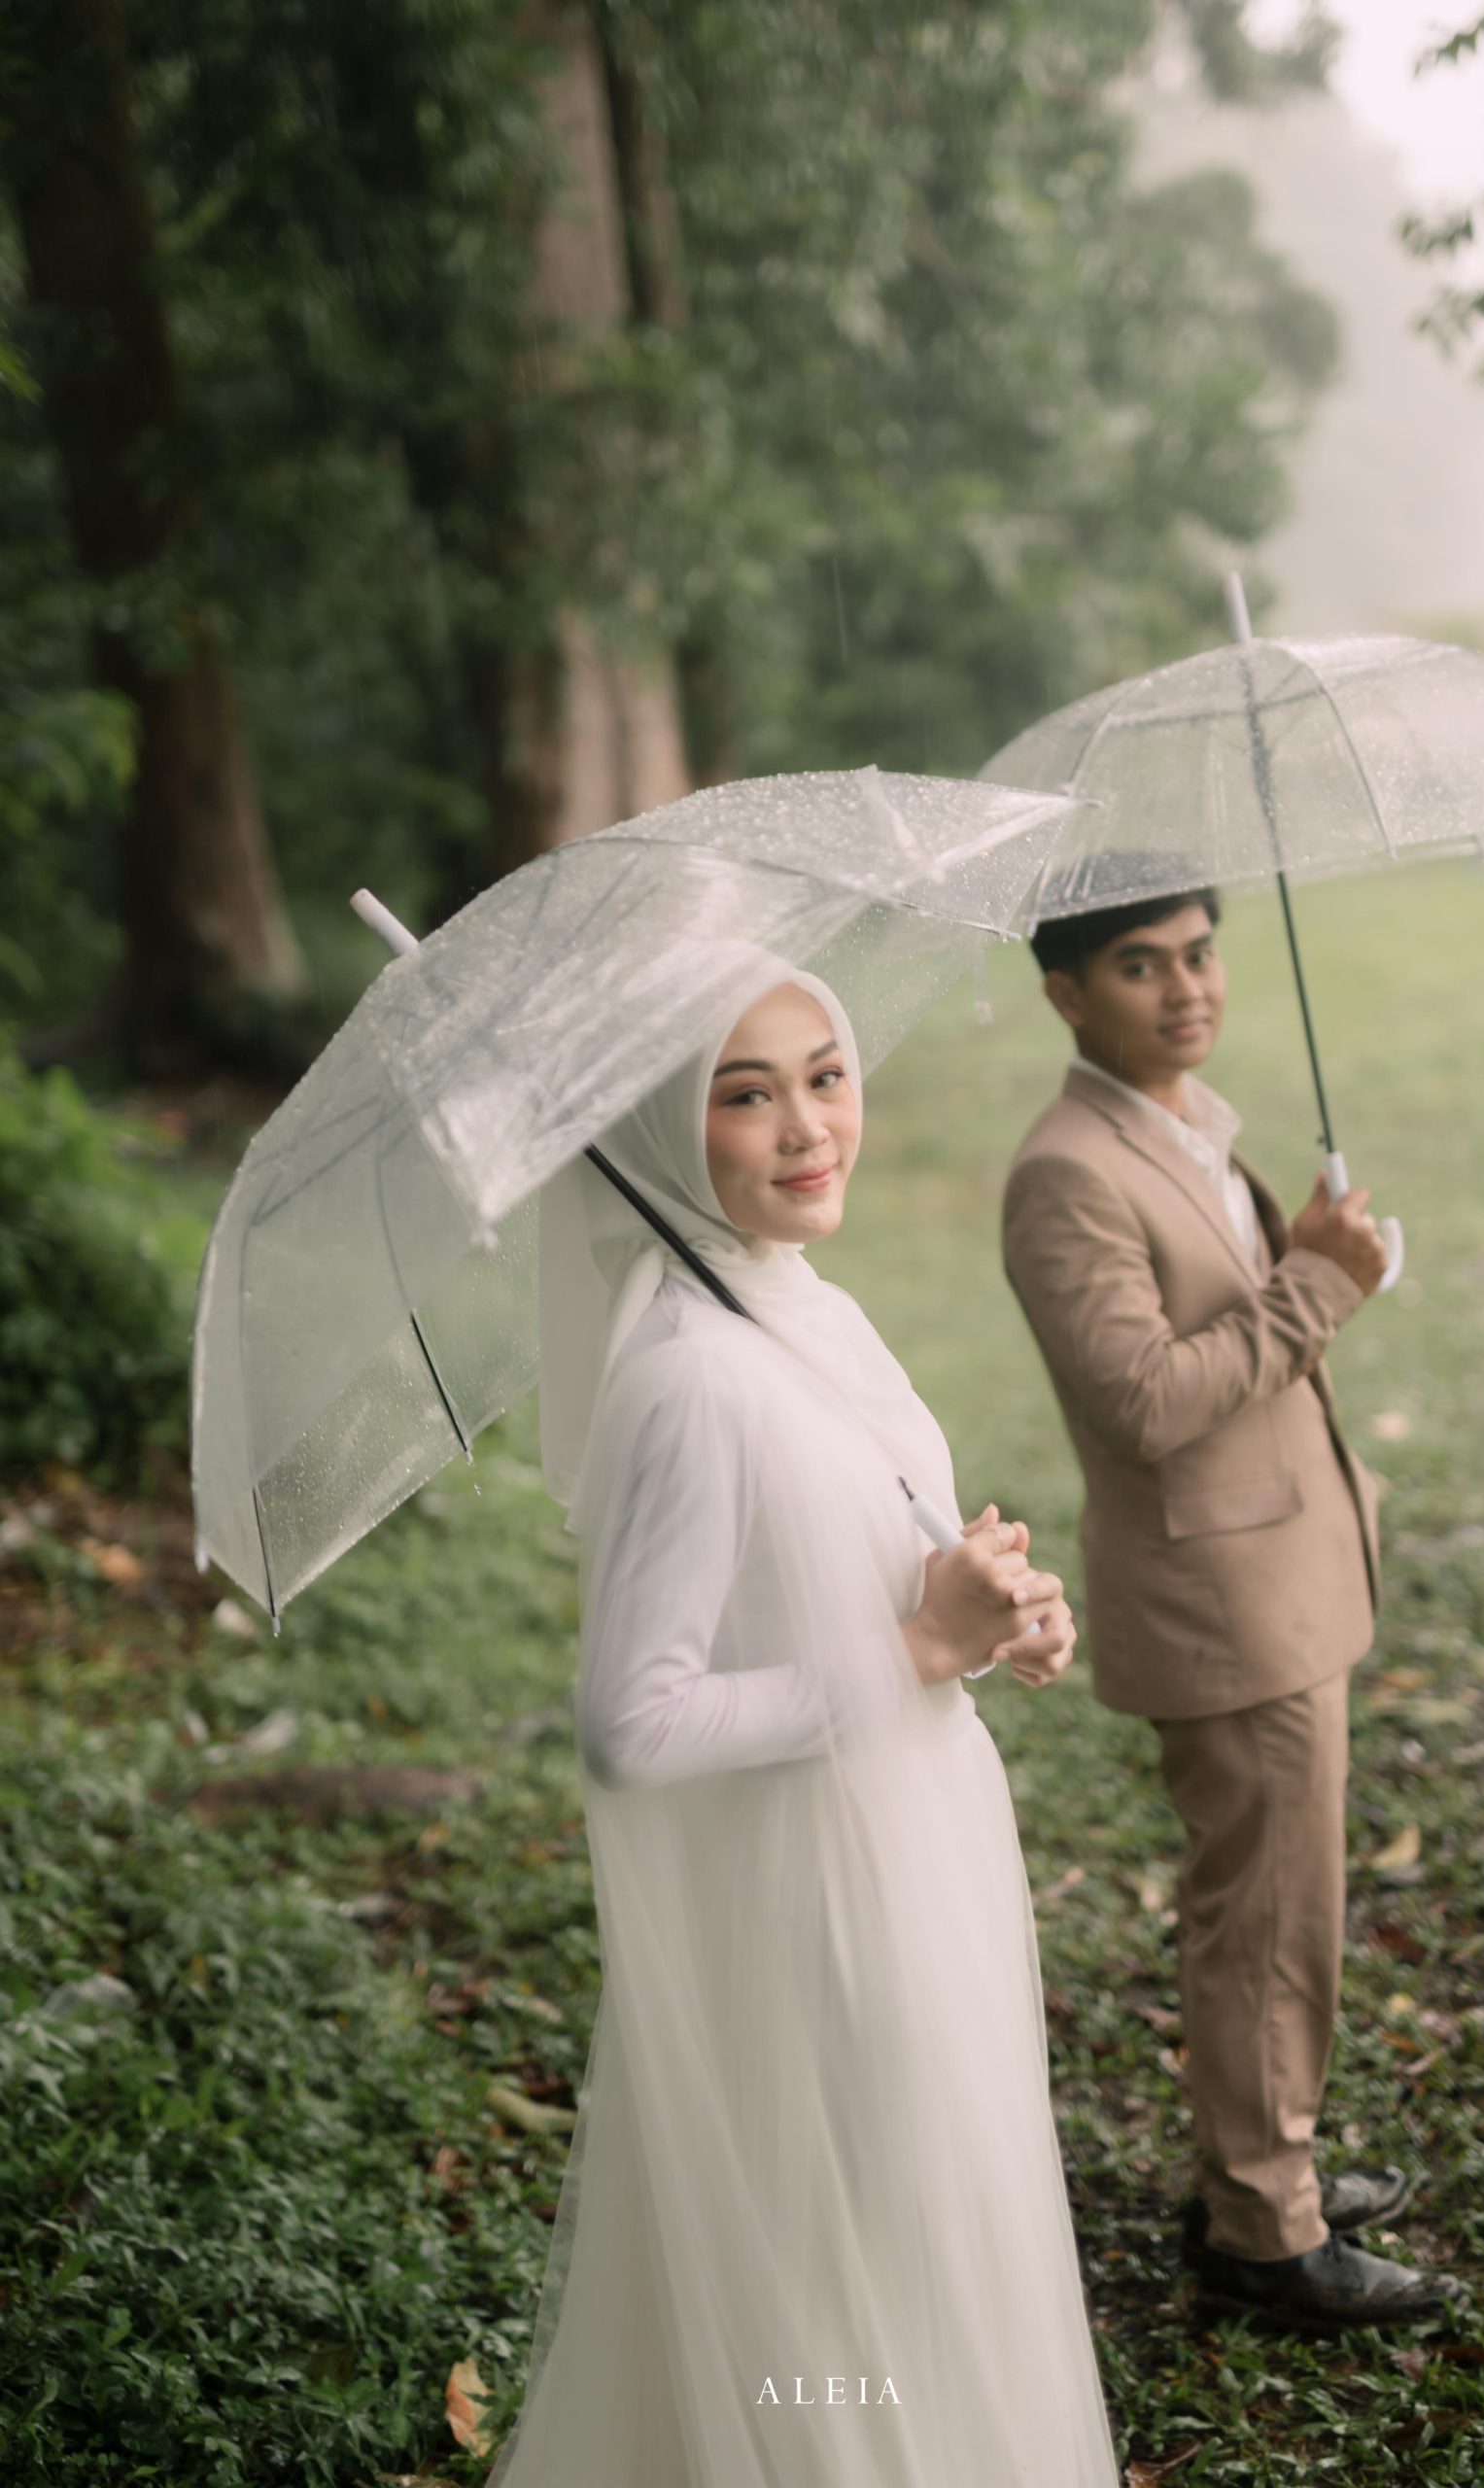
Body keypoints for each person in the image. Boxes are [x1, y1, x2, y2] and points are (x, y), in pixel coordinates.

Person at [489, 952, 1121, 2486]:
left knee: (924, 2244)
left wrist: (987, 1615)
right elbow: (631, 1725)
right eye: (744, 1095)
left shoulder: (800, 1307)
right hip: (816, 1899)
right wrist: (913, 1646)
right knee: (852, 2283)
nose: (806, 1126)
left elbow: (857, 1578)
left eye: (824, 1076)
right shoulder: (693, 1384)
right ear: (660, 1135)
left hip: (914, 1847)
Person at [1001, 881, 1463, 2331]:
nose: (1186, 987)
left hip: (1286, 1571)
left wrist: (1298, 1253)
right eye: (1141, 966)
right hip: (1223, 1602)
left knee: (1290, 1905)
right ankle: (1264, 2228)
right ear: (1067, 994)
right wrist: (1315, 1288)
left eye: (1199, 955)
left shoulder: (1188, 1124)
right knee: (1262, 1922)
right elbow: (1143, 1401)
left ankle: (1262, 2174)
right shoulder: (1066, 1171)